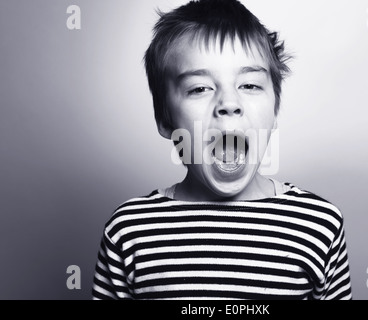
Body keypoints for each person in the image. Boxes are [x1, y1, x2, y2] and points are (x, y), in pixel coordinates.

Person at [92, 0, 352, 300]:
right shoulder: (129, 232)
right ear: (165, 120)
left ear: (275, 110)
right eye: (199, 88)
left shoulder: (318, 225)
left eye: (250, 85)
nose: (229, 103)